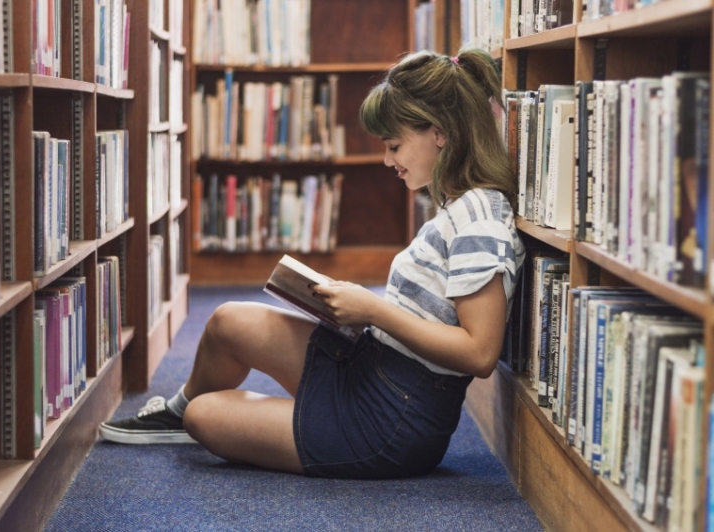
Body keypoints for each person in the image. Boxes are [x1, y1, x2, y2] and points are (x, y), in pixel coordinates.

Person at [99, 48, 525, 480]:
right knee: (228, 322)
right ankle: (176, 412)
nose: (387, 161)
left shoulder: (479, 220)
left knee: (206, 418)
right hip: (370, 368)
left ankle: (189, 415)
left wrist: (373, 309)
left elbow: (480, 351)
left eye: (394, 145)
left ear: (439, 132)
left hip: (390, 423)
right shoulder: (459, 205)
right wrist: (349, 307)